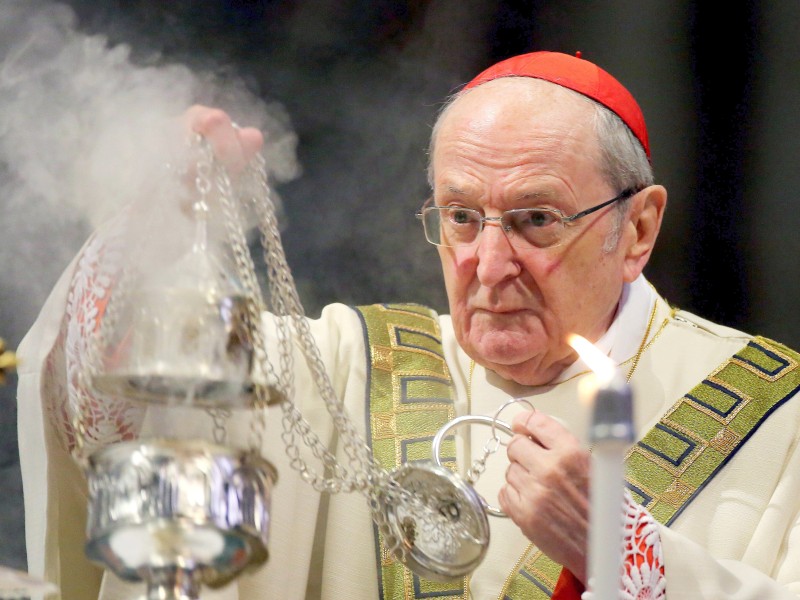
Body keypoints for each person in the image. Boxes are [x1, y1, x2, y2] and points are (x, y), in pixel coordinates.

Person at [16, 50, 800, 599]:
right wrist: (154, 224)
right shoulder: (339, 368)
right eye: (461, 218)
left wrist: (627, 554)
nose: (489, 264)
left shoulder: (777, 418)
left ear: (637, 230)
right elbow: (105, 398)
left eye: (534, 220)